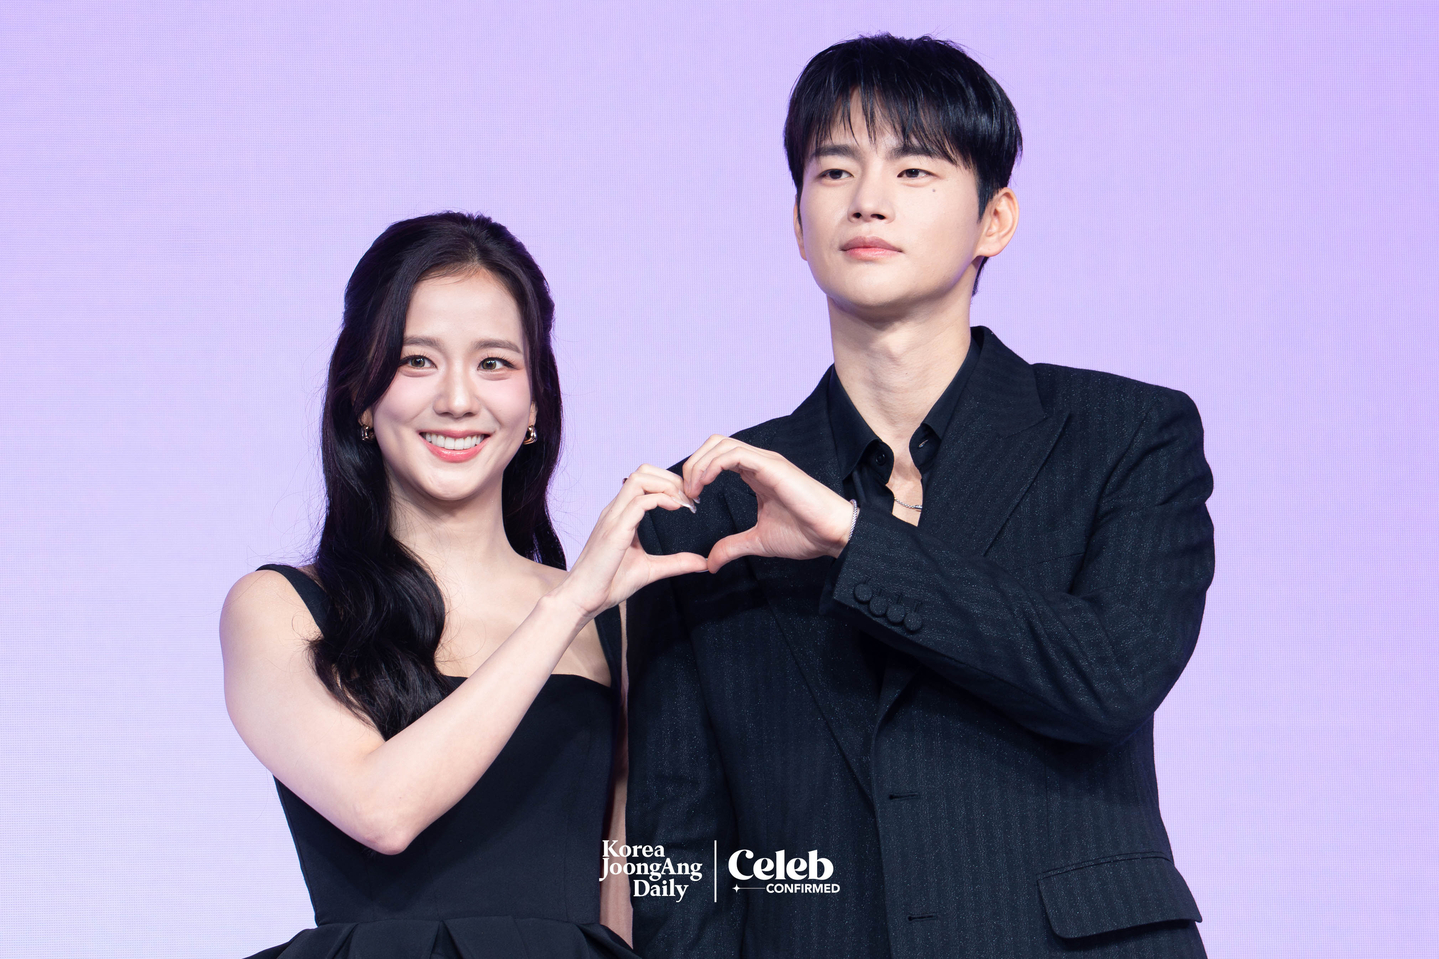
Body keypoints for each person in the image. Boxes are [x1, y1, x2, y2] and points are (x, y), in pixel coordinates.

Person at [625, 34, 1213, 958]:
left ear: (995, 219)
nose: (868, 199)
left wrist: (856, 544)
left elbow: (1108, 676)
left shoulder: (1125, 434)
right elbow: (673, 853)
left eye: (914, 167)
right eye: (833, 169)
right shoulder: (707, 500)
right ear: (796, 220)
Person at [220, 212, 706, 959]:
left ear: (536, 401)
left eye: (494, 363)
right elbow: (381, 808)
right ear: (360, 393)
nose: (457, 399)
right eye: (417, 360)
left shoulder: (616, 622)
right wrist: (568, 601)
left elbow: (621, 882)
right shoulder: (280, 609)